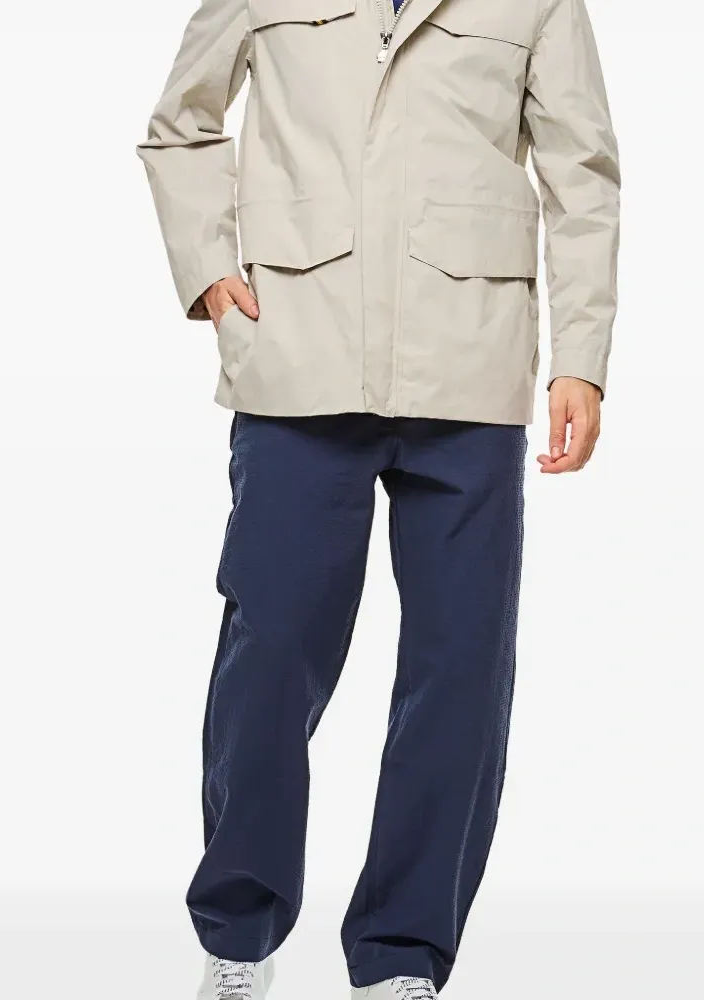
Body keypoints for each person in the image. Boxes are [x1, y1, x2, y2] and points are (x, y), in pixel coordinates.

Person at [137, 0, 619, 995]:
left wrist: (581, 357)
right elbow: (181, 124)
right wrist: (209, 268)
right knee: (271, 651)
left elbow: (582, 172)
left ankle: (403, 954)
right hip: (298, 353)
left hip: (469, 362)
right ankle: (238, 934)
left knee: (460, 669)